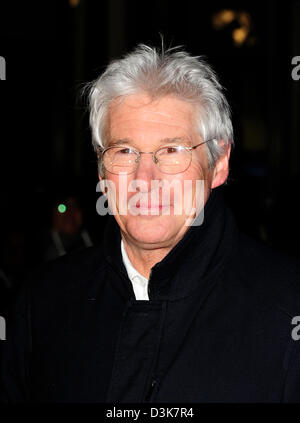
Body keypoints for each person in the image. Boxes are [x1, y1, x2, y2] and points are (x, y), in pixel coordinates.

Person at [1, 43, 300, 403]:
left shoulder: (287, 309)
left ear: (218, 163)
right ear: (100, 167)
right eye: (124, 151)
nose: (145, 178)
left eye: (172, 151)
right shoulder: (42, 304)